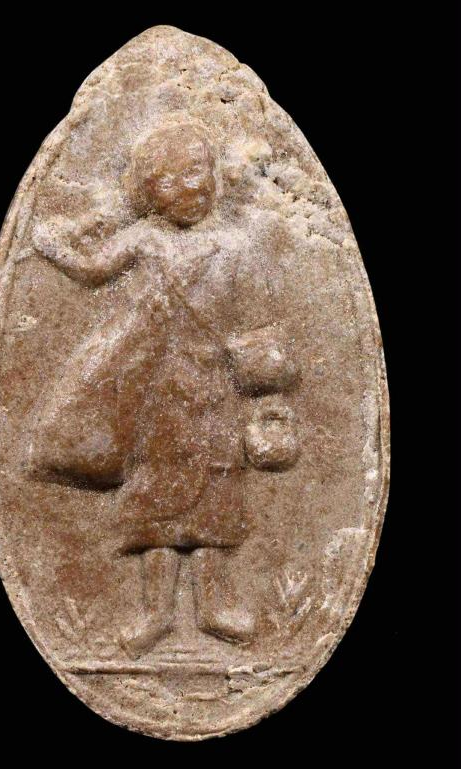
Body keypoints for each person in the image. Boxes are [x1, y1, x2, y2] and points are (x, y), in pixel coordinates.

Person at [29, 122, 299, 658]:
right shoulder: (144, 240)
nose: (190, 187)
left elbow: (258, 318)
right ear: (149, 191)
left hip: (217, 393)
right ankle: (155, 613)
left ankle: (214, 605)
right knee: (157, 500)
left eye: (197, 171)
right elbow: (93, 269)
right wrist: (55, 245)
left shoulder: (232, 245)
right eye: (171, 179)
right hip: (160, 395)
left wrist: (265, 380)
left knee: (217, 498)